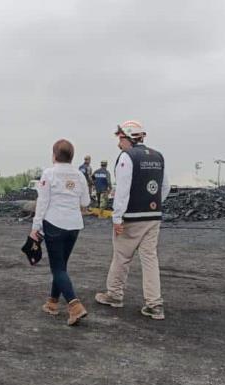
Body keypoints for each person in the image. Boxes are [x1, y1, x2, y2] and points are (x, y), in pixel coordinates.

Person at [95, 120, 170, 320]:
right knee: (150, 259)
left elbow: (122, 190)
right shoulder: (158, 157)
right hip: (153, 217)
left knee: (122, 256)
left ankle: (114, 295)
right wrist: (152, 204)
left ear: (127, 137)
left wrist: (117, 217)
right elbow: (165, 188)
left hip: (131, 218)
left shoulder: (126, 158)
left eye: (120, 138)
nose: (118, 143)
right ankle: (154, 304)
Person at [32, 139, 91, 326]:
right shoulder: (79, 175)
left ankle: (75, 305)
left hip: (54, 223)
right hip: (74, 225)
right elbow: (86, 202)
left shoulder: (49, 174)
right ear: (71, 156)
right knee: (61, 266)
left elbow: (42, 202)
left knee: (57, 268)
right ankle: (52, 302)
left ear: (54, 155)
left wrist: (36, 227)